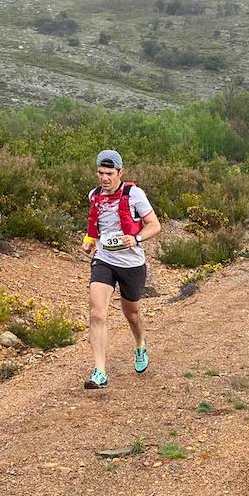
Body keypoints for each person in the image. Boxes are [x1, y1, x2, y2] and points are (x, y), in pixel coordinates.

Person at [81, 149, 161, 390]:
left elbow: (155, 225)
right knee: (97, 314)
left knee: (132, 314)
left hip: (132, 263)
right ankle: (100, 372)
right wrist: (89, 241)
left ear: (120, 173)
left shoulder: (134, 194)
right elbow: (95, 227)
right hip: (104, 260)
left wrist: (136, 239)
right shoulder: (94, 195)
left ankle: (139, 344)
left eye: (109, 173)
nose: (104, 178)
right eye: (100, 173)